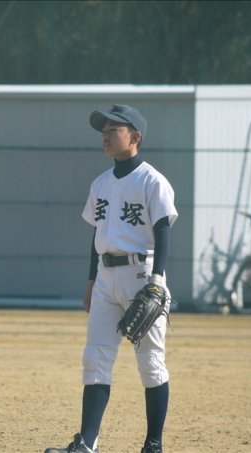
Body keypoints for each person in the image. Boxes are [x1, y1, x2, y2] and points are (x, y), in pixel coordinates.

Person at [45, 105, 178, 453]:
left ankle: (153, 445)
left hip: (141, 276)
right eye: (103, 131)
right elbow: (97, 235)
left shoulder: (152, 181)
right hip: (106, 277)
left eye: (113, 130)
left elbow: (163, 232)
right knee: (95, 358)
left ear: (134, 137)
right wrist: (91, 282)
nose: (105, 136)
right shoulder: (100, 183)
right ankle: (87, 444)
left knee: (150, 362)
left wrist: (157, 280)